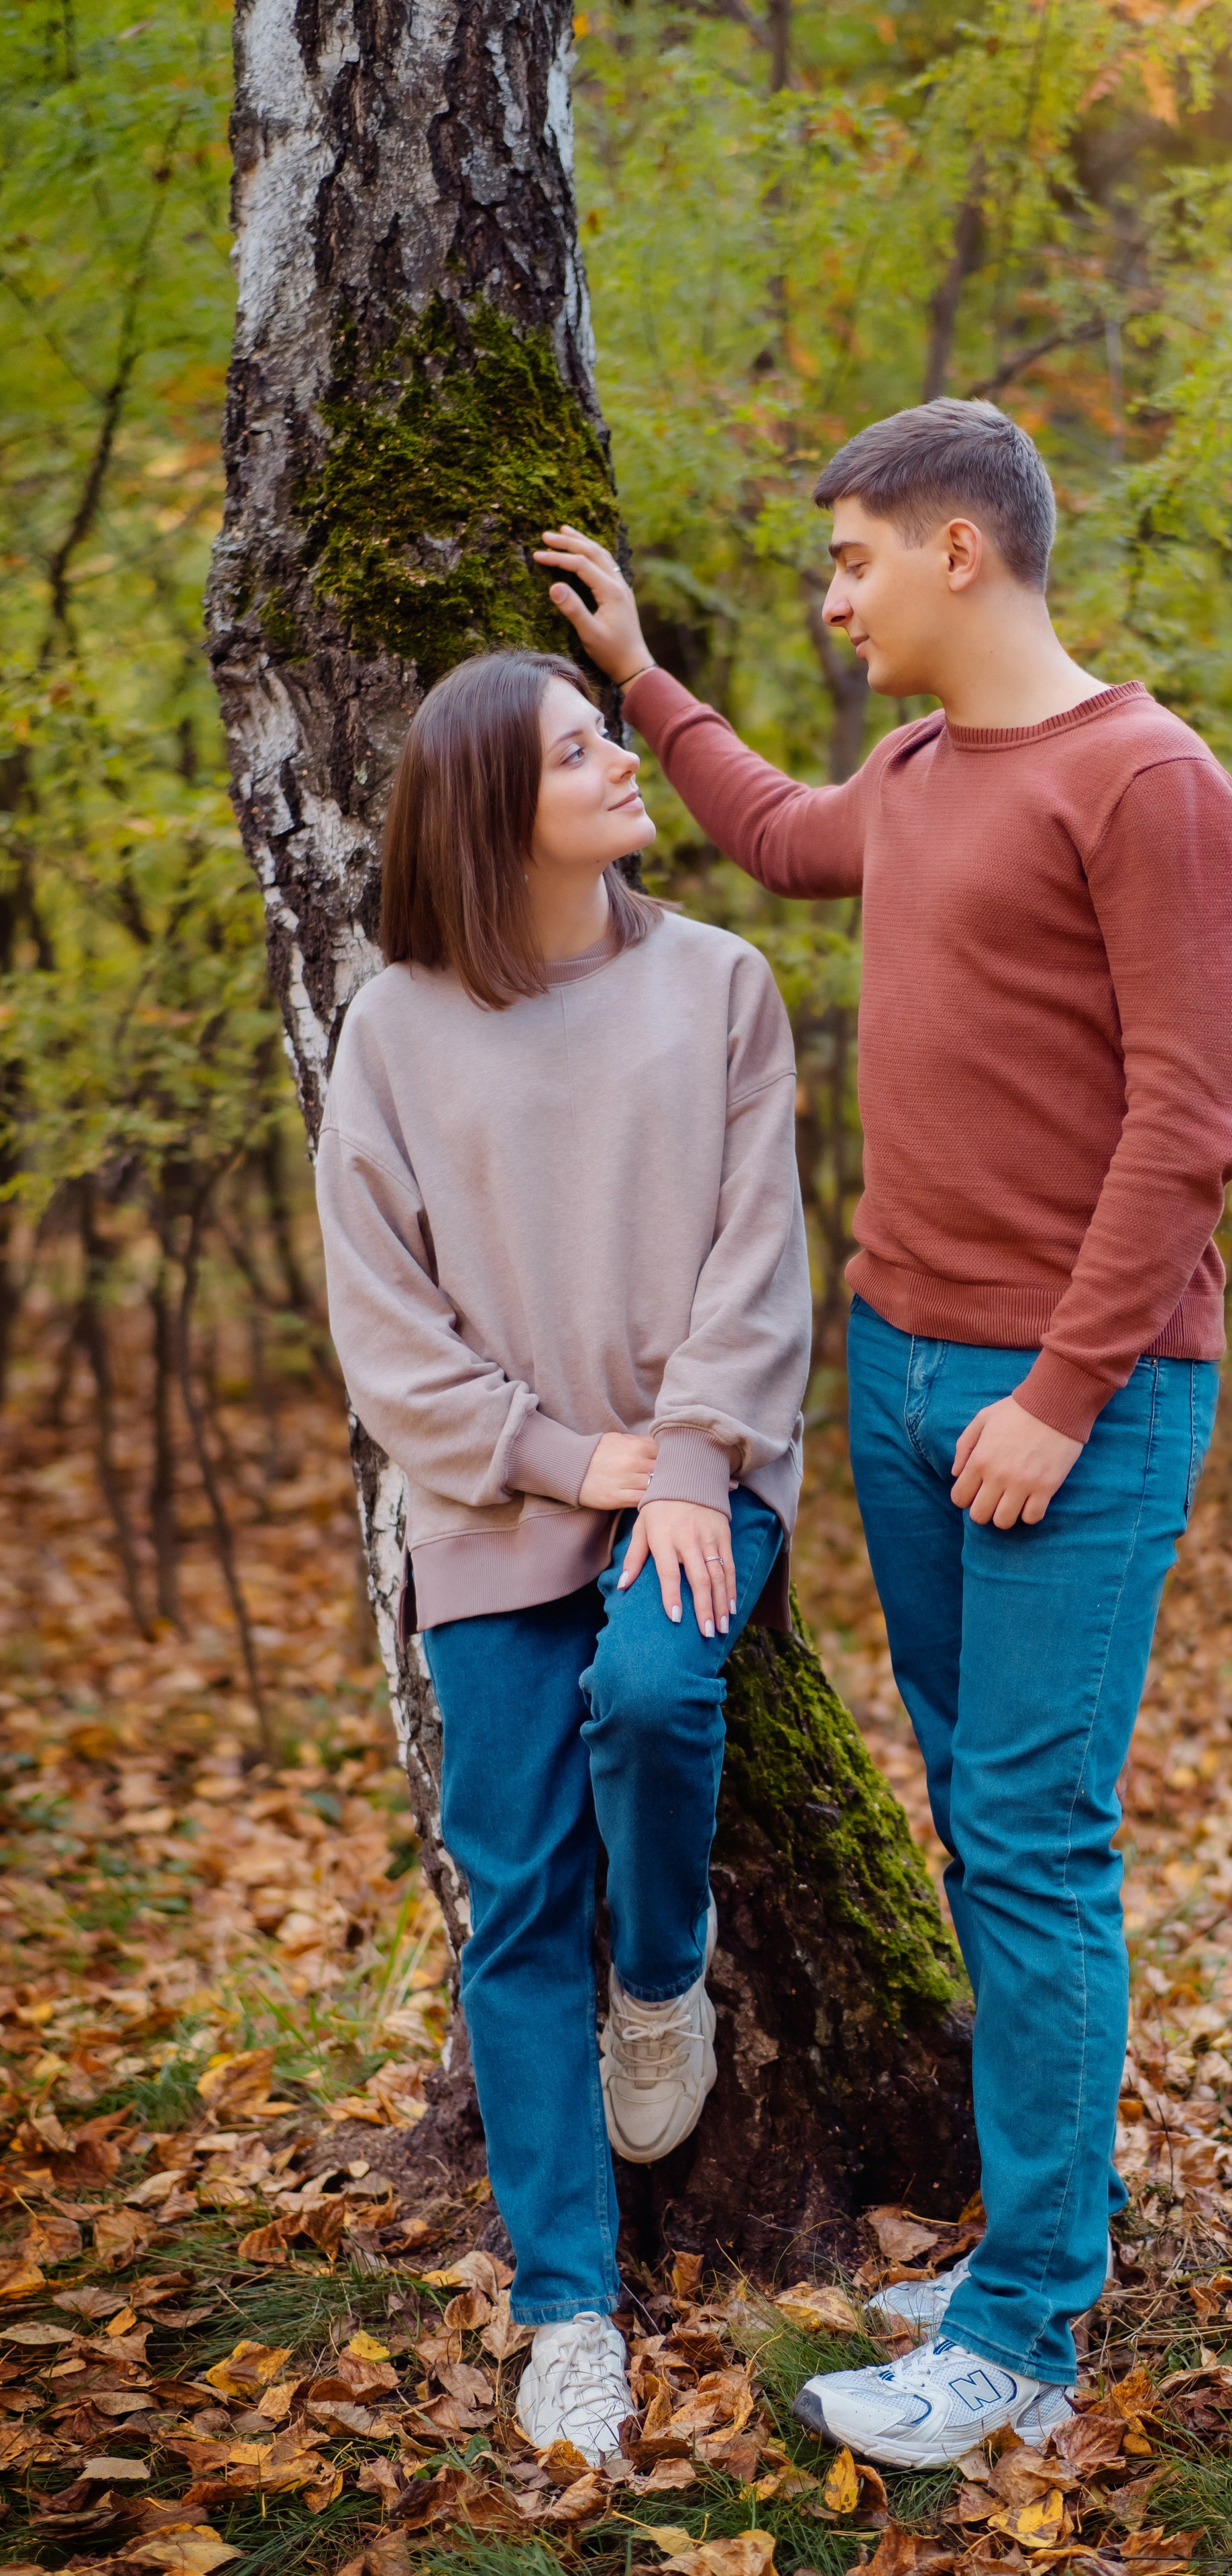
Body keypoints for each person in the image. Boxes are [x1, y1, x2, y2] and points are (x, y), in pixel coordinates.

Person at [537, 396, 1232, 2469]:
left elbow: (1194, 1125)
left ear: (962, 550)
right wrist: (637, 679)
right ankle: (1047, 2240)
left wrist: (1058, 1392)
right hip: (910, 1378)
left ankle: (1024, 2340)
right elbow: (774, 832)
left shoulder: (1150, 784)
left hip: (1079, 1408)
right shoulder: (927, 771)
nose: (835, 598)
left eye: (851, 560)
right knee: (975, 1827)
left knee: (1035, 1850)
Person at [314, 650, 810, 2464]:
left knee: (663, 1696)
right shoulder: (399, 1030)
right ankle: (568, 2314)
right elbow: (388, 1331)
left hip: (702, 1479)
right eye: (578, 749)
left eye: (607, 736)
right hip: (496, 1509)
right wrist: (564, 1456)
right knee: (516, 1899)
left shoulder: (718, 987)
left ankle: (664, 1974)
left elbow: (759, 1260)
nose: (621, 763)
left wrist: (680, 1461)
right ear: (488, 814)